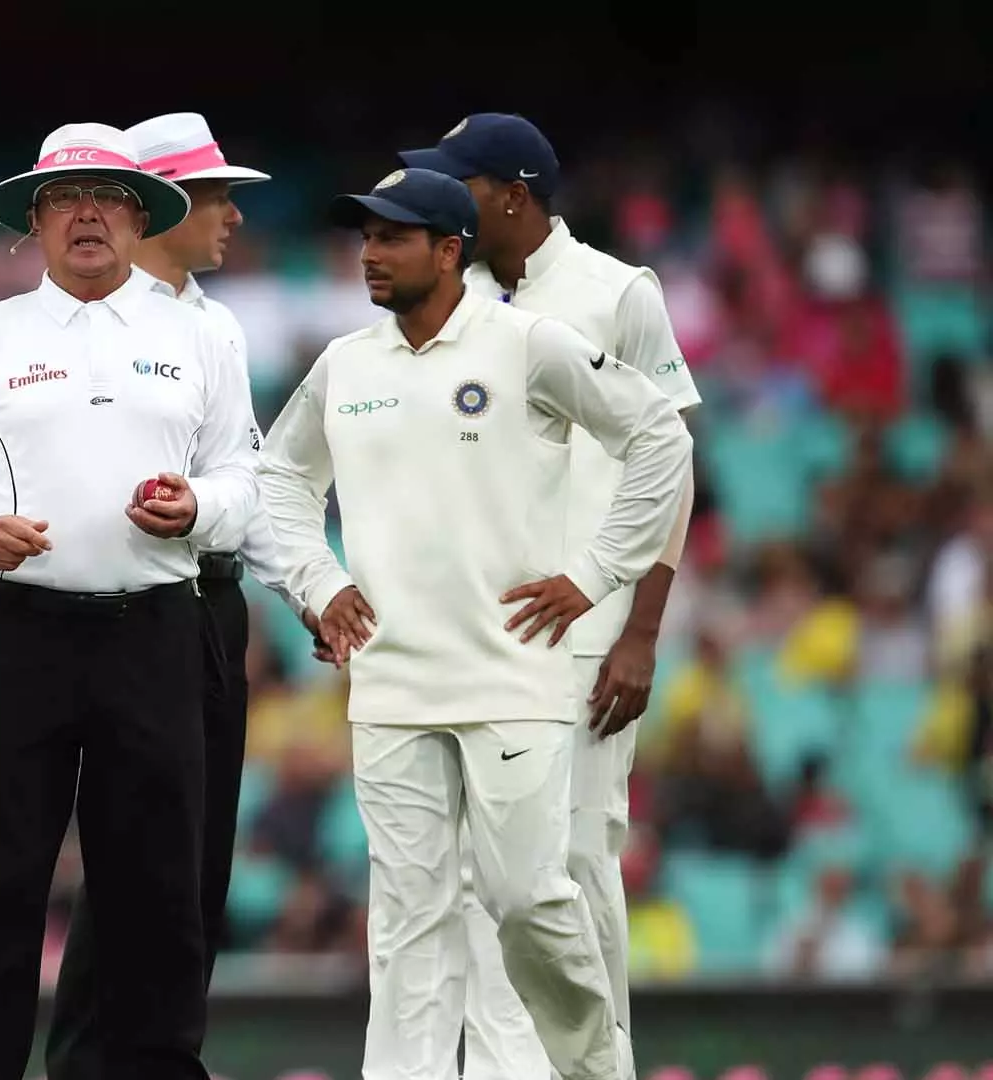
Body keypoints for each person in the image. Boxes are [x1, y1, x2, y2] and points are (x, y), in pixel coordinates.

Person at [258, 167, 691, 1080]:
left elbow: (659, 437)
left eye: (393, 237)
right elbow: (281, 479)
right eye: (366, 238)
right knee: (407, 923)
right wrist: (318, 582)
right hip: (392, 683)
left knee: (529, 900)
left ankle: (594, 1068)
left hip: (512, 677)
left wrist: (595, 574)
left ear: (450, 249)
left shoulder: (527, 344)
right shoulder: (345, 364)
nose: (370, 255)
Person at [0, 122, 259, 1080]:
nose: (87, 213)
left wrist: (197, 509)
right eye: (64, 197)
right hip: (24, 631)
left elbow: (244, 480)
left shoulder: (200, 334)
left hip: (156, 630)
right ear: (35, 220)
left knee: (157, 887)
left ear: (141, 217)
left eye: (108, 196)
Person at [398, 112, 704, 1080]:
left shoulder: (619, 293)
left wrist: (641, 633)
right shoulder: (452, 302)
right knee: (486, 873)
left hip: (588, 631)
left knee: (573, 861)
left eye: (459, 184)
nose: (440, 200)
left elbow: (673, 466)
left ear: (512, 195)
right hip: (478, 635)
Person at [42, 110, 295, 1080]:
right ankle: (108, 1060)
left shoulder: (212, 323)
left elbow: (245, 482)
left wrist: (307, 592)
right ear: (168, 203)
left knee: (192, 858)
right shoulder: (100, 320)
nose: (235, 215)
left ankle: (138, 1057)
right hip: (143, 602)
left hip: (209, 601)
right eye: (218, 195)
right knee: (141, 854)